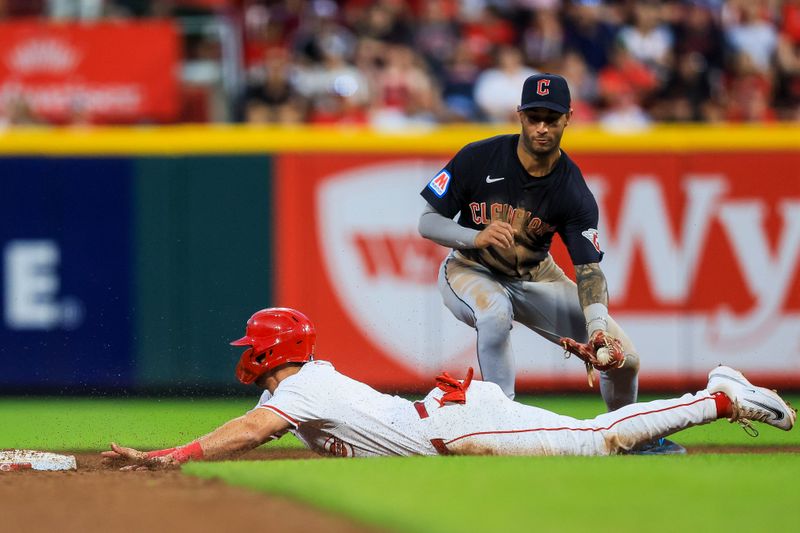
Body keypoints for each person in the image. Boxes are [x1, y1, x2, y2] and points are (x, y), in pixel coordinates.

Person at [102, 308, 795, 469]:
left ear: (272, 349)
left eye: (252, 344)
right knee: (602, 447)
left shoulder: (302, 388)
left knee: (598, 437)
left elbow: (250, 433)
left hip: (455, 427)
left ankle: (720, 396)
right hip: (453, 417)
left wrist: (173, 455)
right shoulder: (299, 386)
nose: (246, 355)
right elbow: (254, 422)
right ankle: (667, 454)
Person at [418, 72, 676, 452]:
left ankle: (630, 439)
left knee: (627, 360)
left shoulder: (572, 189)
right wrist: (476, 236)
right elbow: (427, 222)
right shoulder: (478, 157)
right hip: (470, 269)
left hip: (536, 275)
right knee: (494, 314)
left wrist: (598, 329)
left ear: (568, 118)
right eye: (533, 117)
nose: (541, 127)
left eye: (551, 119)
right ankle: (501, 422)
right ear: (519, 115)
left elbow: (588, 269)